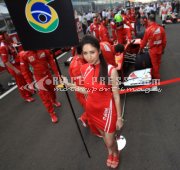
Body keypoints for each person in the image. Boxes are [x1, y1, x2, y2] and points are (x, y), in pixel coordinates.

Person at [63, 35, 123, 169]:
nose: (89, 56)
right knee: (104, 138)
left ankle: (116, 152)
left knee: (109, 140)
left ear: (99, 51)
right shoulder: (84, 69)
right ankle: (110, 152)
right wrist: (69, 85)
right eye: (85, 53)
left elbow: (117, 96)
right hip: (92, 110)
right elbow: (87, 91)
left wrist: (119, 117)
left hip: (107, 111)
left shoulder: (110, 71)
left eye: (92, 52)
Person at [19, 49, 61, 123]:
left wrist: (57, 74)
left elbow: (51, 60)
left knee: (52, 89)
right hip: (38, 77)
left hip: (48, 74)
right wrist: (29, 82)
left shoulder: (43, 48)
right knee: (44, 96)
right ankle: (52, 113)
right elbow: (24, 70)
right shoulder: (24, 55)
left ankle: (54, 101)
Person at [0, 33, 34, 102]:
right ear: (2, 37)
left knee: (25, 78)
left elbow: (14, 47)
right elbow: (6, 62)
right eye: (6, 35)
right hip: (12, 66)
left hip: (17, 62)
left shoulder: (8, 42)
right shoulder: (3, 47)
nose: (9, 35)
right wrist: (15, 70)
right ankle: (26, 96)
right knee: (20, 82)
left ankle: (29, 91)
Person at [140, 14, 167, 80]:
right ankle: (155, 74)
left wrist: (141, 48)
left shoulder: (148, 30)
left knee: (154, 64)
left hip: (153, 50)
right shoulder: (161, 28)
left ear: (149, 20)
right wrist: (163, 49)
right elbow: (164, 41)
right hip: (160, 49)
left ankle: (156, 78)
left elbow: (144, 41)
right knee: (158, 63)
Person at [69, 45, 87, 127]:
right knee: (91, 109)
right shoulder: (77, 66)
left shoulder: (80, 59)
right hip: (82, 92)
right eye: (86, 53)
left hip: (82, 89)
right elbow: (82, 85)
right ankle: (95, 130)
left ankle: (84, 117)